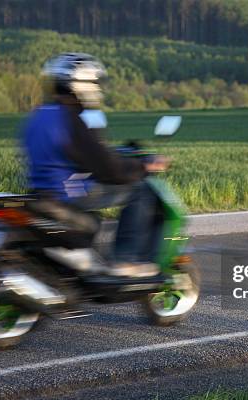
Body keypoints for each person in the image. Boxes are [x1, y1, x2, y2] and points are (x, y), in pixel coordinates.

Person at [21, 52, 168, 277]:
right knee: (140, 190)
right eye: (95, 82)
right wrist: (142, 168)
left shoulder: (39, 115)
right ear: (81, 84)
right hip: (68, 192)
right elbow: (109, 171)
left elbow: (76, 155)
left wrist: (108, 156)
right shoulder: (72, 118)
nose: (98, 88)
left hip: (42, 190)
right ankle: (126, 259)